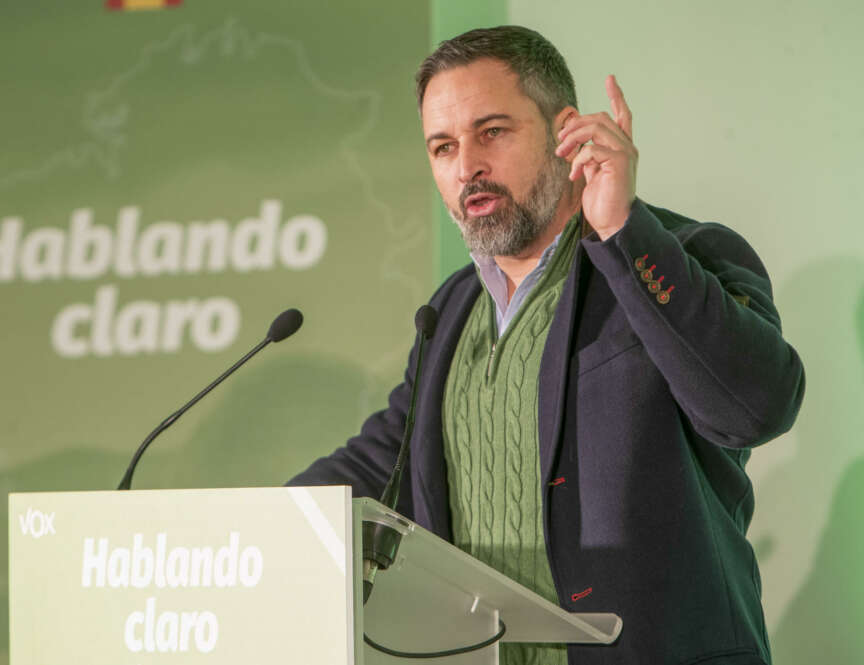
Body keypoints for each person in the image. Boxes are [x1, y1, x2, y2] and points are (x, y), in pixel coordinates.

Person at [290, 26, 804, 665]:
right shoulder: (452, 310)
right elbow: (383, 463)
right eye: (443, 146)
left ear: (569, 134)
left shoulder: (679, 255)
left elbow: (755, 406)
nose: (466, 165)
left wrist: (622, 230)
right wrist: (250, 530)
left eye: (492, 132)